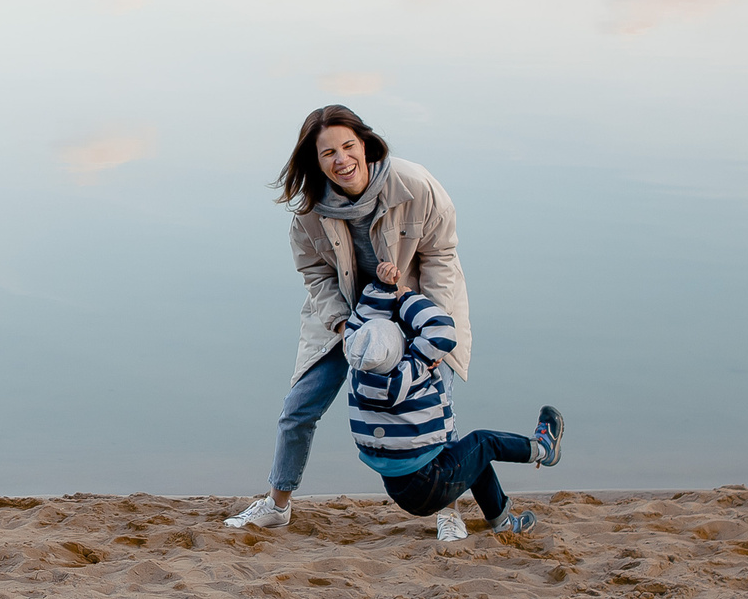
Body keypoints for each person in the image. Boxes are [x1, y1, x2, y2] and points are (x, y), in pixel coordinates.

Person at [224, 105, 473, 532]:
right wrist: (343, 325)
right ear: (315, 162)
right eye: (328, 153)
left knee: (437, 408)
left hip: (417, 312)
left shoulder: (415, 185)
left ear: (365, 144)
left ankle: (448, 513)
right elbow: (315, 274)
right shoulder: (308, 213)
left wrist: (430, 333)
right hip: (344, 318)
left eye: (348, 146)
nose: (341, 160)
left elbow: (441, 259)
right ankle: (277, 504)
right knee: (299, 409)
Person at [336, 274, 563, 541]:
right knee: (483, 442)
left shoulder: (359, 374)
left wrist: (382, 288)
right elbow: (442, 327)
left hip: (399, 488)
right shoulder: (411, 372)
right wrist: (404, 296)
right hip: (428, 483)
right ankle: (543, 449)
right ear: (400, 354)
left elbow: (358, 326)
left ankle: (502, 521)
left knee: (471, 458)